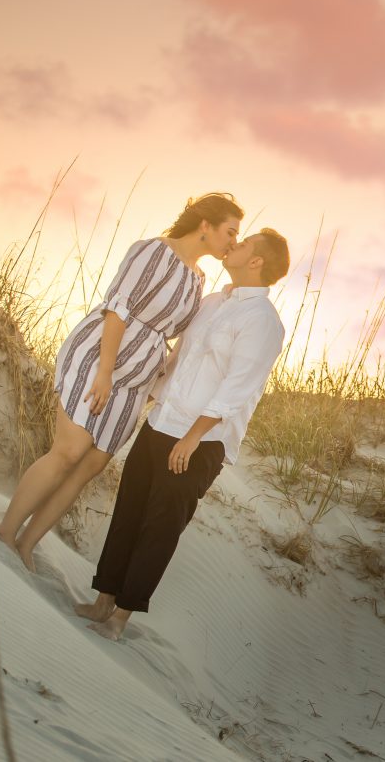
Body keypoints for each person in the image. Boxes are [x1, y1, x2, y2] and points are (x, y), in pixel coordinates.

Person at [0, 192, 245, 571]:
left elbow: (174, 337)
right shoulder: (154, 252)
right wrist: (105, 373)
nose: (234, 242)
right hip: (100, 360)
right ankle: (5, 533)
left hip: (135, 384)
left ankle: (27, 544)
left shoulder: (198, 279)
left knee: (89, 466)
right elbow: (119, 309)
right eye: (231, 231)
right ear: (205, 225)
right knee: (68, 451)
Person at [75, 227, 289, 641]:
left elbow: (239, 385)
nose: (235, 245)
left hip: (199, 441)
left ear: (257, 262)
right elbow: (177, 358)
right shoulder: (211, 303)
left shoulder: (262, 321)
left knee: (159, 527)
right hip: (160, 423)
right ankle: (103, 600)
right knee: (128, 512)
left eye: (243, 244)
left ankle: (121, 617)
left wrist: (192, 437)